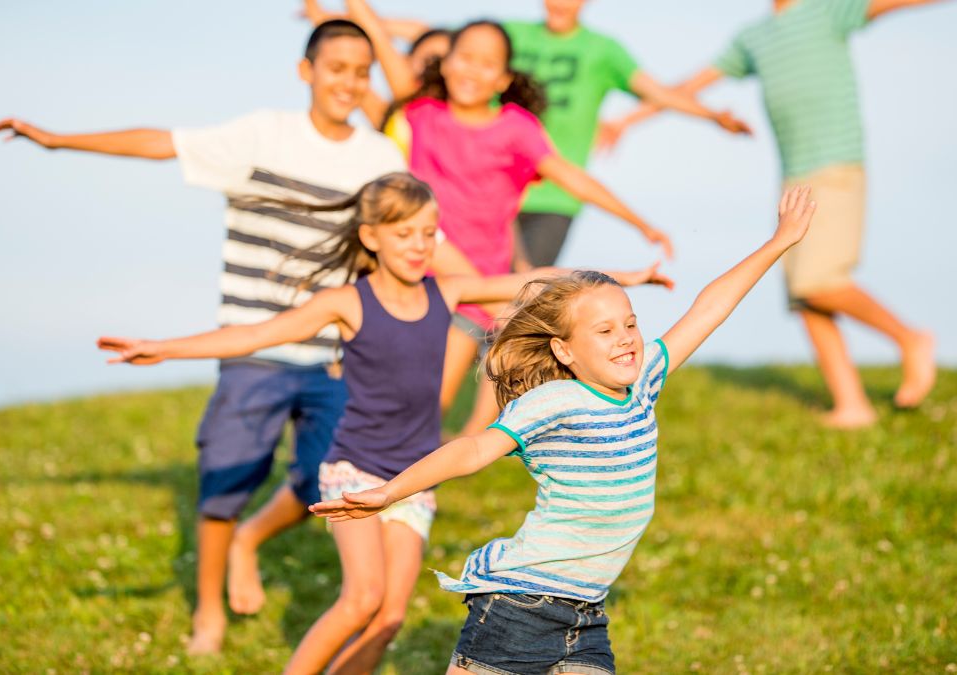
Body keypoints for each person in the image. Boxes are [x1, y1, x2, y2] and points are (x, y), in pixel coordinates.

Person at [99, 173, 673, 674]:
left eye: (429, 233)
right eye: (405, 234)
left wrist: (627, 277)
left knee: (390, 616)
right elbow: (255, 335)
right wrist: (165, 348)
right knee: (362, 598)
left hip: (413, 475)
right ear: (371, 237)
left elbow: (545, 282)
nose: (421, 246)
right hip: (353, 466)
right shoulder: (348, 302)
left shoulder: (446, 291)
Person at [0, 20, 406, 653]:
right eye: (336, 67)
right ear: (307, 71)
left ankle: (251, 541)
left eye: (362, 70)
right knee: (224, 480)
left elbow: (410, 243)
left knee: (331, 482)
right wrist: (59, 142)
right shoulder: (261, 134)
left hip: (330, 355)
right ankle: (208, 612)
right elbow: (163, 142)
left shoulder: (380, 159)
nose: (350, 81)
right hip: (251, 348)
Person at [311, 186, 817, 675]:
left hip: (586, 613)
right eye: (604, 331)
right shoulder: (554, 402)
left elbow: (709, 308)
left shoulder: (643, 383)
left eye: (630, 324)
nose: (625, 340)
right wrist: (391, 492)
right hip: (520, 606)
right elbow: (471, 449)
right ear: (565, 351)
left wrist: (779, 242)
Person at [600, 0, 957, 427]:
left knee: (820, 282)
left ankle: (910, 339)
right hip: (794, 175)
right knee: (803, 296)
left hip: (837, 163)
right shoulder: (754, 37)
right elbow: (693, 83)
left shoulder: (828, 11)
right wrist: (628, 119)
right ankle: (852, 405)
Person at [347, 0, 676, 438]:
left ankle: (435, 471)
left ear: (503, 78)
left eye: (487, 64)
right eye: (464, 58)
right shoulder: (423, 113)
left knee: (433, 405)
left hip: (478, 292)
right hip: (418, 277)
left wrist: (639, 222)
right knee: (398, 395)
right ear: (445, 64)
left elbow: (571, 178)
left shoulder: (515, 128)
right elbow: (385, 49)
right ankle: (380, 472)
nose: (472, 70)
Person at [504, 0, 751, 269]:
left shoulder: (602, 50)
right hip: (491, 187)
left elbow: (657, 92)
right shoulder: (509, 35)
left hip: (556, 197)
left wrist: (713, 116)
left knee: (522, 290)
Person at [302, 0, 452, 129]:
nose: (438, 70)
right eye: (431, 61)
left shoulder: (413, 104)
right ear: (405, 61)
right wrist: (322, 16)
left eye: (446, 60)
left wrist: (327, 16)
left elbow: (375, 31)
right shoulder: (393, 119)